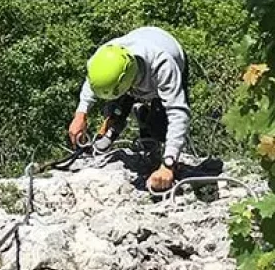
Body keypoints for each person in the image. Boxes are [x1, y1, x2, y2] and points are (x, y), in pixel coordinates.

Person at [68, 26, 190, 192]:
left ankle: (148, 127)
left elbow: (178, 114)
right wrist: (80, 114)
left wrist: (168, 164)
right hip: (131, 72)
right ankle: (112, 127)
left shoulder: (163, 66)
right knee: (116, 102)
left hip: (167, 60)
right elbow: (93, 83)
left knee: (161, 129)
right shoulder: (107, 57)